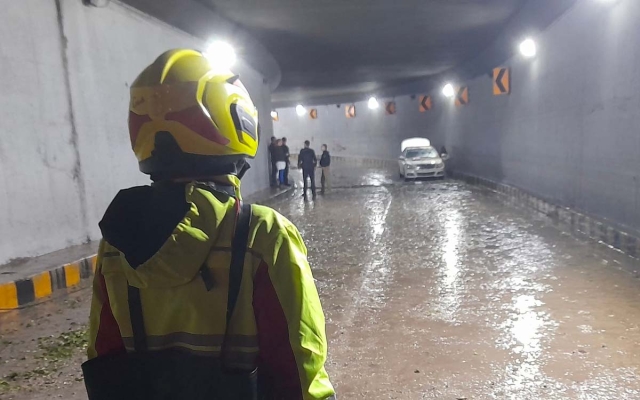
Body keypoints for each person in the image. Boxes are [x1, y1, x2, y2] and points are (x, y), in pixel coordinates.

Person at [82, 49, 335, 400]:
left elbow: (104, 358)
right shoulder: (263, 234)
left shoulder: (117, 238)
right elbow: (298, 363)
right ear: (233, 120)